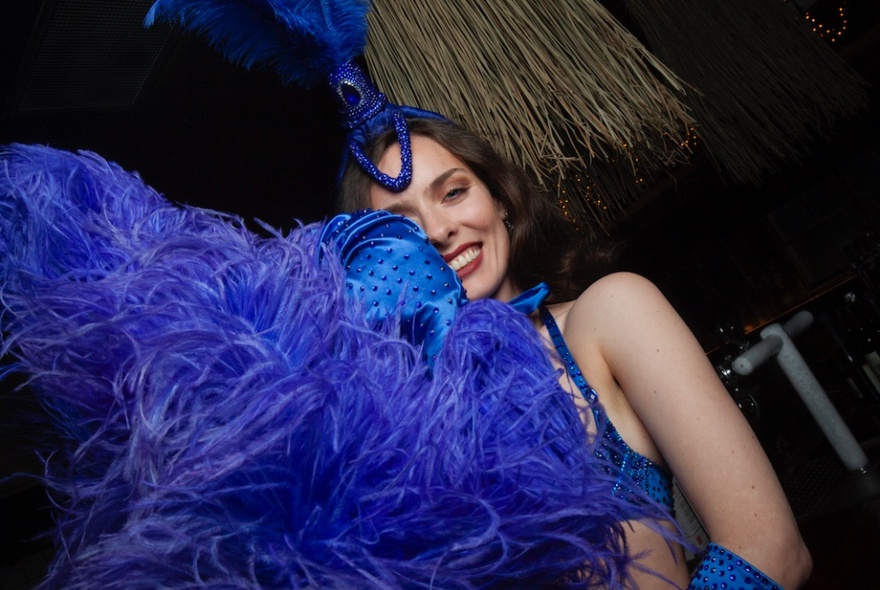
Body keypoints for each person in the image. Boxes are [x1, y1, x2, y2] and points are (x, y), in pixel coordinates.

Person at [337, 117, 814, 588]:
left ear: (500, 200)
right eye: (406, 227)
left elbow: (771, 549)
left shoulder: (608, 315)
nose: (439, 230)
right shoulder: (407, 429)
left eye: (454, 192)